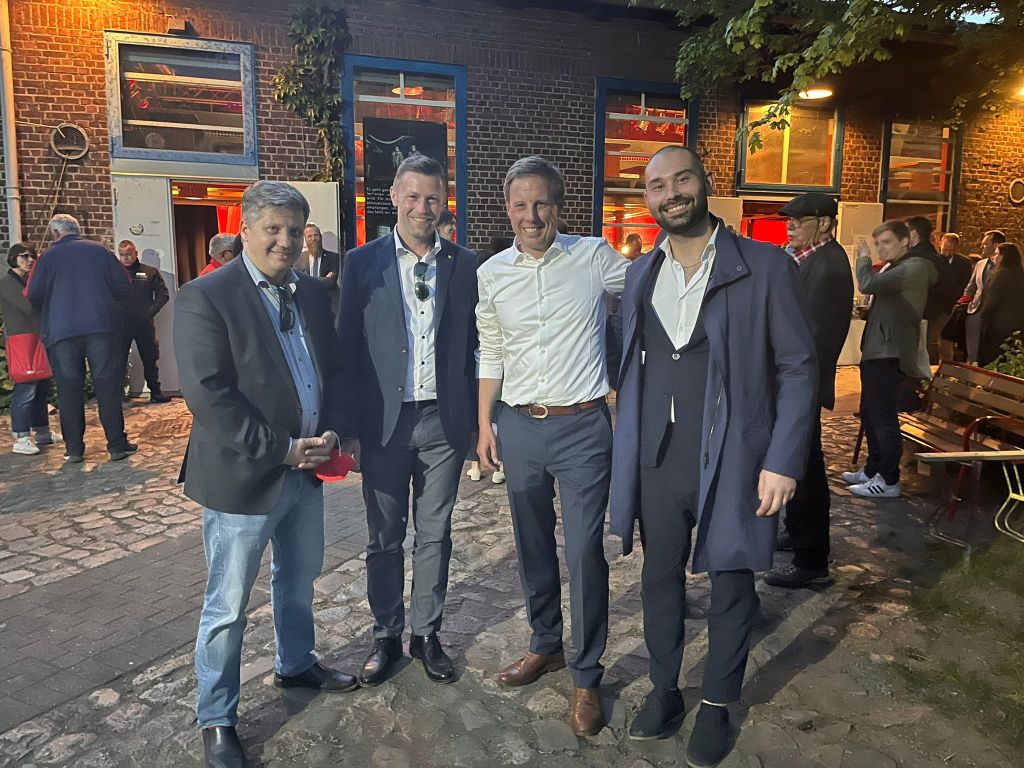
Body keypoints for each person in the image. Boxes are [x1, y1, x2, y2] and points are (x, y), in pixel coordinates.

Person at [608, 146, 816, 764]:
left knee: (731, 579)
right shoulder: (641, 274)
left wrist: (783, 459)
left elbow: (799, 367)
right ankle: (665, 689)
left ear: (704, 184)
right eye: (656, 186)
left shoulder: (765, 266)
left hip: (736, 454)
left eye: (682, 180)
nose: (670, 194)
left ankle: (719, 703)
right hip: (658, 455)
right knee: (658, 576)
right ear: (647, 199)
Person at [174, 181, 358, 768]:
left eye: (293, 230)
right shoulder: (207, 296)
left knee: (298, 580)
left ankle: (295, 664)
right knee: (227, 605)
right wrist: (281, 449)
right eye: (272, 229)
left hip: (307, 472)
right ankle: (217, 716)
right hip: (243, 477)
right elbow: (209, 396)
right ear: (246, 231)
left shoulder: (310, 291)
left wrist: (333, 430)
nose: (284, 240)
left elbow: (331, 369)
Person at [477, 155, 629, 737]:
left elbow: (654, 286)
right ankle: (546, 644)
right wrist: (484, 424)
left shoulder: (593, 257)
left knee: (585, 550)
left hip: (583, 426)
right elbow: (491, 349)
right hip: (519, 425)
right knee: (532, 541)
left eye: (541, 203)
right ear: (508, 209)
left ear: (558, 207)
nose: (531, 215)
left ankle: (587, 674)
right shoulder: (492, 273)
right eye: (521, 205)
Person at [337, 154, 479, 688]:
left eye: (433, 197)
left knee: (435, 534)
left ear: (445, 202)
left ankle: (427, 634)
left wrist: (479, 421)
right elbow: (347, 347)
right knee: (384, 538)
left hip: (444, 424)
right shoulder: (361, 262)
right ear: (394, 197)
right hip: (383, 425)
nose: (423, 207)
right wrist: (347, 428)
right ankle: (386, 635)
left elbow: (478, 345)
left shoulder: (465, 265)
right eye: (413, 196)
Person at [765, 192, 853, 589]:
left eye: (800, 220)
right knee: (798, 463)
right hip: (795, 383)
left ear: (825, 223)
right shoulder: (808, 259)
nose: (791, 225)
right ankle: (798, 532)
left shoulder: (828, 265)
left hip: (802, 385)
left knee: (807, 469)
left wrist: (793, 384)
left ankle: (812, 560)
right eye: (789, 219)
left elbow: (815, 337)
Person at [27, 214, 135, 463]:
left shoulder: (47, 258)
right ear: (78, 230)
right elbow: (123, 286)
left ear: (55, 234)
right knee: (107, 386)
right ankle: (116, 445)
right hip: (101, 326)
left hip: (61, 331)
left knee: (68, 389)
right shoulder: (100, 251)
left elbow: (33, 295)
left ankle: (74, 449)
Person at [845, 220, 937, 498]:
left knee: (883, 416)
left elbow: (867, 284)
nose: (880, 248)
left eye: (886, 242)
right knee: (870, 413)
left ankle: (888, 479)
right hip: (879, 350)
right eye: (877, 244)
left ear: (906, 240)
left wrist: (863, 259)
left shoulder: (914, 267)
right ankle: (873, 468)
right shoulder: (899, 266)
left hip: (890, 352)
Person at [0, 243, 60, 455]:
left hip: (38, 337)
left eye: (33, 256)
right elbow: (29, 306)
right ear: (13, 258)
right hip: (22, 340)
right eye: (24, 256)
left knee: (42, 387)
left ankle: (42, 432)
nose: (30, 260)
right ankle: (21, 437)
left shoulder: (28, 281)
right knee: (25, 389)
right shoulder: (7, 283)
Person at [116, 240, 170, 403]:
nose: (125, 258)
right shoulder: (114, 273)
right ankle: (117, 395)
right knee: (119, 360)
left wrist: (149, 313)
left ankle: (156, 392)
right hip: (121, 324)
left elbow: (163, 295)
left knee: (150, 358)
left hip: (144, 324)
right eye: (122, 255)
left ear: (136, 253)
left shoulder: (149, 271)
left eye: (128, 254)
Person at [961, 230, 1007, 363]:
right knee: (972, 350)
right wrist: (966, 303)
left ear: (996, 245)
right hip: (975, 312)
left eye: (985, 244)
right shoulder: (980, 264)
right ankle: (971, 372)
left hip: (996, 316)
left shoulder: (1006, 268)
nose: (982, 247)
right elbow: (971, 287)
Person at [979, 243, 1024, 366]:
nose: (995, 257)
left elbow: (992, 299)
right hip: (1015, 326)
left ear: (1004, 256)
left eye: (997, 254)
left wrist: (983, 315)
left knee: (994, 360)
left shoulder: (1001, 274)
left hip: (998, 326)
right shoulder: (1018, 273)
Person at [930, 233, 973, 362]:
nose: (947, 253)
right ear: (940, 244)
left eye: (950, 250)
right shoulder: (933, 260)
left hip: (952, 305)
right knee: (930, 339)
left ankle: (946, 365)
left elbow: (964, 284)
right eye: (945, 250)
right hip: (934, 305)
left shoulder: (964, 263)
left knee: (946, 341)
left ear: (956, 247)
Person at [297, 223, 342, 315]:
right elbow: (297, 282)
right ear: (305, 239)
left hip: (329, 305)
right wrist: (324, 279)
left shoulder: (333, 257)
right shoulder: (298, 259)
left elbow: (331, 282)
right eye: (309, 236)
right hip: (305, 305)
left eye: (316, 235)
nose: (313, 239)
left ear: (320, 237)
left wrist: (306, 280)